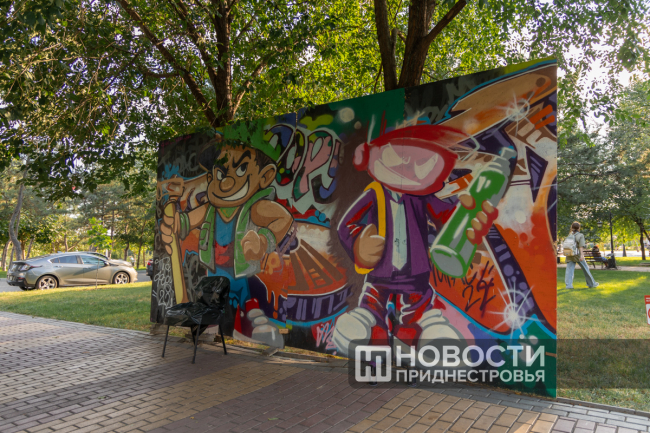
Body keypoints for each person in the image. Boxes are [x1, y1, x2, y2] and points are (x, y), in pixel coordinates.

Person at [565, 222, 599, 289]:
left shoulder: (569, 235)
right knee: (585, 268)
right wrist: (582, 255)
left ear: (572, 227)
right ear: (579, 228)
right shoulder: (580, 235)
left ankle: (569, 285)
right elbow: (581, 246)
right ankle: (591, 284)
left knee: (569, 270)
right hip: (577, 254)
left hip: (569, 254)